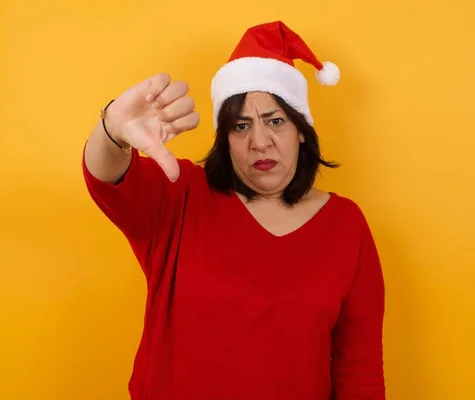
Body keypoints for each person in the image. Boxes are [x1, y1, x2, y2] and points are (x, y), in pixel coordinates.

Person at [82, 20, 386, 400]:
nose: (259, 142)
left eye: (275, 121)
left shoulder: (346, 226)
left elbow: (360, 373)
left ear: (302, 130)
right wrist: (113, 130)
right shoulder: (181, 196)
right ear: (225, 139)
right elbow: (106, 177)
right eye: (240, 126)